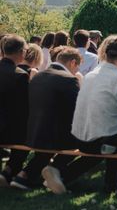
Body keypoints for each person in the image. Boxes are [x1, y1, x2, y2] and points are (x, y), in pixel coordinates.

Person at [66, 37, 117, 194]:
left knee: (112, 138)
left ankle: (64, 176)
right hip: (100, 140)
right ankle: (114, 184)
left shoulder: (90, 75)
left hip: (80, 137)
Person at [9, 47, 82, 190]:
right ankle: (56, 169)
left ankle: (24, 175)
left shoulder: (38, 76)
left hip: (34, 131)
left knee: (45, 149)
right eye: (77, 66)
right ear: (73, 63)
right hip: (56, 135)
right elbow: (77, 110)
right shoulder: (69, 79)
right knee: (83, 141)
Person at [0, 35, 30, 187]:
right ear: (20, 52)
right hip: (8, 130)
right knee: (27, 135)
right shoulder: (20, 75)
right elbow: (23, 109)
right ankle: (9, 171)